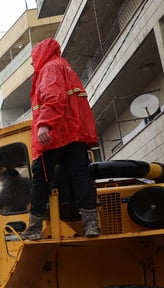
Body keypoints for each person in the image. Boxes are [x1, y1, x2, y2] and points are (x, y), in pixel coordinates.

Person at [21, 38, 100, 241]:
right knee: (80, 176)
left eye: (33, 58)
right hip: (74, 133)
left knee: (41, 178)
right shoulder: (65, 67)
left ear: (41, 54)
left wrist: (45, 124)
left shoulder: (50, 68)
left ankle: (34, 227)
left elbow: (54, 96)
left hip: (55, 135)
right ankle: (91, 224)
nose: (32, 63)